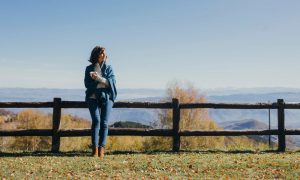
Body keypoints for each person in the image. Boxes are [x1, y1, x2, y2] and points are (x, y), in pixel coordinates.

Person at [84, 46, 117, 159]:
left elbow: (112, 83)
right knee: (96, 120)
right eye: (101, 53)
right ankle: (95, 149)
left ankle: (102, 149)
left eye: (104, 53)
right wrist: (101, 82)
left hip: (107, 97)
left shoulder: (109, 68)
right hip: (92, 97)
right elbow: (87, 85)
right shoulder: (89, 68)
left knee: (104, 122)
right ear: (96, 55)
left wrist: (98, 79)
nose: (103, 55)